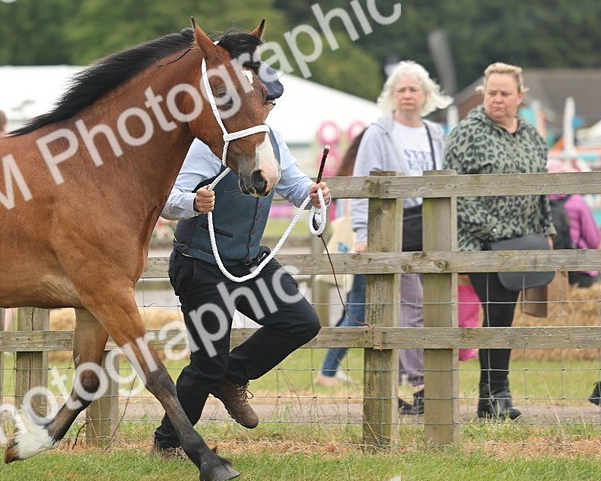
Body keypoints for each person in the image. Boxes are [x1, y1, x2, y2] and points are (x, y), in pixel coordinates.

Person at [152, 64, 329, 458]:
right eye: (263, 101)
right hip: (202, 263)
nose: (266, 110)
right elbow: (168, 198)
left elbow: (296, 187)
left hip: (249, 263)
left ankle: (233, 376)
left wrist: (314, 194)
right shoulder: (208, 144)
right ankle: (167, 443)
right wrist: (193, 202)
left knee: (301, 322)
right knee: (206, 363)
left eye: (270, 103)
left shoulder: (274, 142)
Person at [444, 62, 554, 420]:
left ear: (520, 97)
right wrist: (495, 233)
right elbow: (454, 194)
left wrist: (546, 232)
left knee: (503, 319)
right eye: (491, 92)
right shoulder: (467, 133)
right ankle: (495, 395)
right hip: (479, 244)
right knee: (497, 315)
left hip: (525, 242)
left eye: (505, 93)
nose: (497, 99)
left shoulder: (533, 137)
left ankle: (493, 396)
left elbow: (542, 191)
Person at [349, 61, 450, 415]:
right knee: (407, 304)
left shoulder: (435, 133)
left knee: (428, 304)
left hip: (430, 224)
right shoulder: (379, 133)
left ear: (426, 95)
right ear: (391, 95)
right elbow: (363, 182)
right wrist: (362, 232)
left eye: (414, 89)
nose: (407, 95)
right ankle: (419, 382)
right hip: (391, 224)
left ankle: (408, 383)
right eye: (401, 89)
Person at [314, 130, 366, 387]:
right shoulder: (360, 173)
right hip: (362, 247)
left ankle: (329, 368)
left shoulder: (349, 170)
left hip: (355, 246)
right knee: (357, 310)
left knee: (354, 309)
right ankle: (327, 370)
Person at [546, 159, 600, 287]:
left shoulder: (538, 203)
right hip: (579, 270)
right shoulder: (576, 201)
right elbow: (593, 240)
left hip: (548, 270)